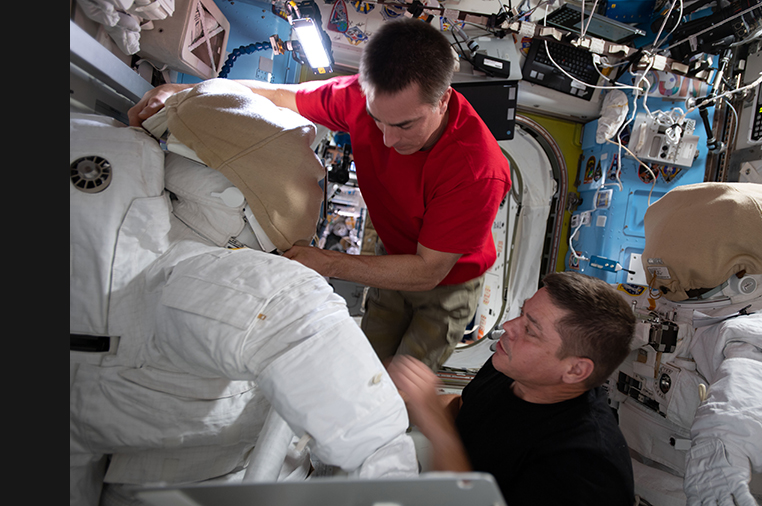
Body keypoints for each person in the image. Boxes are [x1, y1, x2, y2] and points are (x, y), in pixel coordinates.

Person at [71, 80, 417, 506]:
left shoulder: (98, 157)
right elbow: (373, 442)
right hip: (186, 472)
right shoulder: (250, 286)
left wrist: (184, 96)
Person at [128, 18, 512, 370]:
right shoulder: (359, 99)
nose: (388, 139)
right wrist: (185, 92)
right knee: (360, 367)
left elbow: (430, 270)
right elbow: (279, 95)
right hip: (394, 255)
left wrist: (327, 262)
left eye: (404, 125)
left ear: (443, 99)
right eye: (377, 120)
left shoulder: (477, 169)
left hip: (447, 282)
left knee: (399, 389)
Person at [609, 182, 762, 506]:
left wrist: (723, 449)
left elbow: (756, 389)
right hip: (626, 469)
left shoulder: (757, 327)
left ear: (744, 269)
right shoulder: (655, 302)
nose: (670, 283)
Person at [388, 271, 637, 506]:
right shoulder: (509, 369)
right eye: (521, 312)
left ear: (575, 370)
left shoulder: (585, 466)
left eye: (530, 330)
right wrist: (406, 405)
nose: (508, 326)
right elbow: (467, 408)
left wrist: (438, 430)